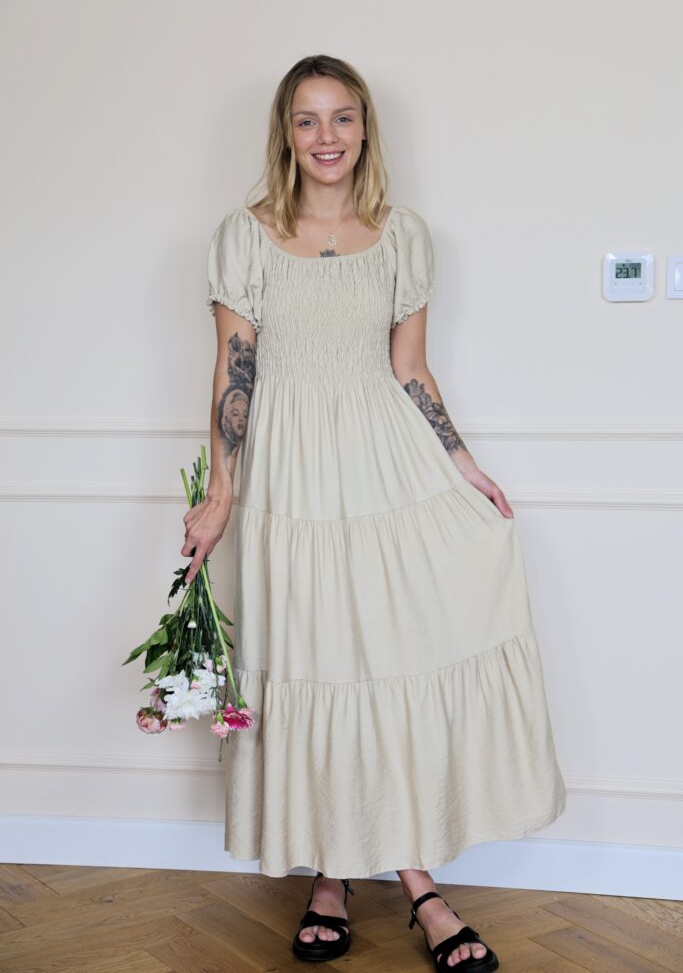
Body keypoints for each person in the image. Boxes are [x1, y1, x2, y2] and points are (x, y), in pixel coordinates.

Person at [182, 54, 567, 971]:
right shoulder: (246, 236)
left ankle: (415, 883)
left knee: (390, 659)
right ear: (285, 134)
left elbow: (410, 369)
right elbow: (235, 371)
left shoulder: (401, 236)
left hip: (385, 467)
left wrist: (463, 466)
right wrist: (221, 495)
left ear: (364, 128)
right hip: (290, 479)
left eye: (342, 117)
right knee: (317, 665)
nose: (327, 137)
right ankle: (332, 878)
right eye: (307, 119)